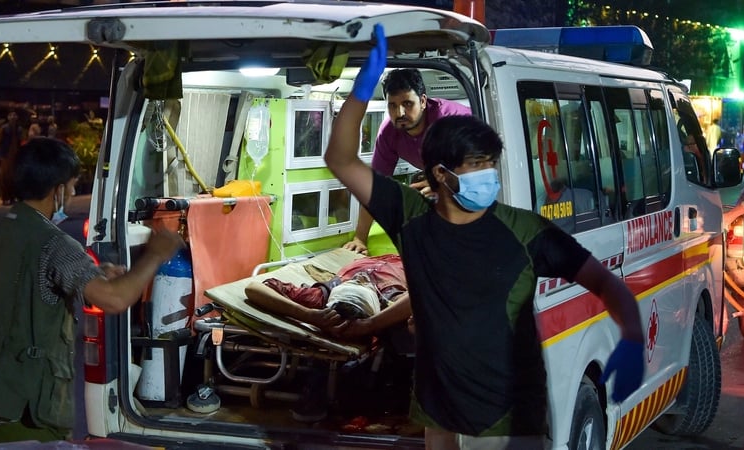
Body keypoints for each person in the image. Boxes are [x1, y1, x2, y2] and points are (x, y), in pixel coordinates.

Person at [324, 24, 644, 449]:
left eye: (490, 163)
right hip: (441, 409)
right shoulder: (413, 220)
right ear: (441, 174)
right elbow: (341, 159)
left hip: (508, 420)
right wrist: (361, 91)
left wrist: (632, 334)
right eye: (475, 165)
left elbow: (603, 281)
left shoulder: (525, 230)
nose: (488, 174)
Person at [0, 137, 185, 449]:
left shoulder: (1, 232)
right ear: (57, 191)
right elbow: (115, 299)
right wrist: (156, 254)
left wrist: (96, 273)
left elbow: (25, 286)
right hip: (23, 413)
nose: (69, 195)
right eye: (69, 187)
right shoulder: (54, 242)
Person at [342, 68, 471, 255]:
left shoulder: (451, 122)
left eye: (407, 103)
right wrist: (360, 238)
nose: (399, 112)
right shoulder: (388, 133)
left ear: (423, 101)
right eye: (392, 106)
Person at [244, 253, 411, 339]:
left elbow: (253, 288)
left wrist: (308, 315)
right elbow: (416, 299)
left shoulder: (320, 297)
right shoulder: (391, 299)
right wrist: (372, 324)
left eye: (354, 282)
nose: (360, 276)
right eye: (361, 284)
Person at [0, 111, 24, 205]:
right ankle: (5, 198)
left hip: (15, 155)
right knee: (5, 177)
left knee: (14, 177)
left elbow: (20, 141)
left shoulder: (19, 129)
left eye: (15, 115)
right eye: (11, 115)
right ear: (8, 117)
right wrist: (2, 154)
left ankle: (13, 197)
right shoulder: (4, 128)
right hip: (6, 155)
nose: (13, 117)